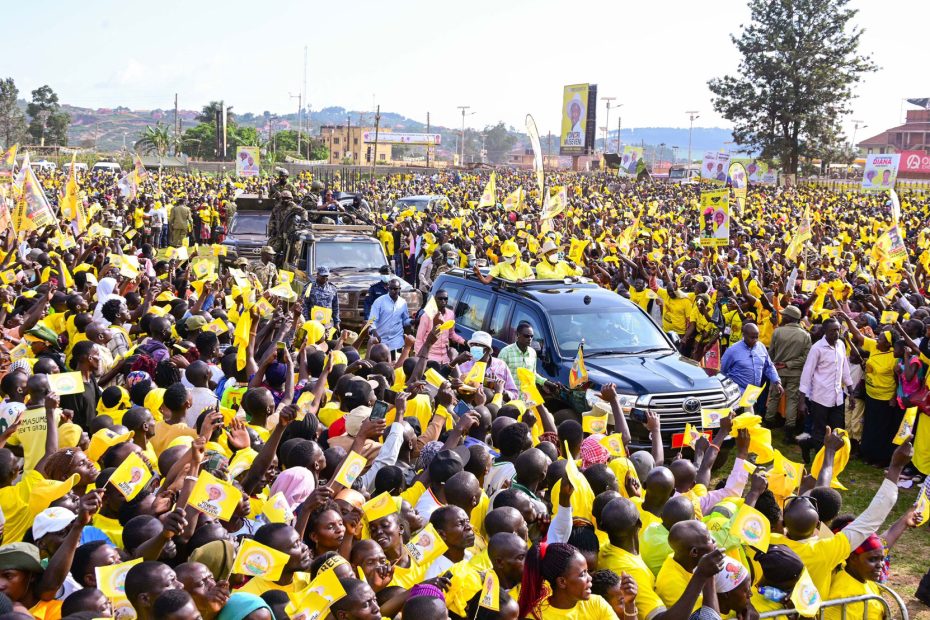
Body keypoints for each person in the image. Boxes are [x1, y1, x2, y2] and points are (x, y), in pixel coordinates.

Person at [797, 318, 853, 457]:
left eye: (838, 329)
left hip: (837, 396)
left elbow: (845, 369)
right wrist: (802, 401)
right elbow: (807, 373)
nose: (837, 333)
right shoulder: (817, 348)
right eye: (833, 330)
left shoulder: (840, 345)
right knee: (820, 431)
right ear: (825, 332)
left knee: (837, 430)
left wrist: (851, 392)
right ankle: (819, 460)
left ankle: (811, 445)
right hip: (820, 396)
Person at [764, 305, 811, 439]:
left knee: (773, 397)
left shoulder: (778, 332)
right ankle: (789, 431)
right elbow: (805, 357)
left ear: (789, 318)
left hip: (777, 372)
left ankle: (768, 423)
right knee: (792, 401)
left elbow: (770, 353)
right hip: (795, 373)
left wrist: (777, 364)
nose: (782, 316)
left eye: (784, 315)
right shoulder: (805, 335)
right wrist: (789, 364)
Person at [720, 323, 783, 414]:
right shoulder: (732, 350)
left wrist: (777, 382)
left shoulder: (761, 347)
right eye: (752, 337)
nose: (755, 340)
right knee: (734, 421)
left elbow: (769, 366)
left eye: (757, 337)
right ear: (744, 335)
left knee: (749, 421)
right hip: (736, 393)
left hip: (751, 393)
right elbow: (723, 372)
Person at [498, 322, 559, 399]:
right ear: (517, 335)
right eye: (526, 336)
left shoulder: (533, 353)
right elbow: (498, 377)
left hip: (528, 399)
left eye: (531, 336)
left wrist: (546, 382)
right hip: (510, 399)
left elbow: (532, 374)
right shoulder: (505, 352)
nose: (529, 338)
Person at [455, 331, 518, 401]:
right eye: (472, 345)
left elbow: (514, 394)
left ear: (487, 349)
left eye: (477, 345)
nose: (474, 348)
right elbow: (456, 390)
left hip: (493, 409)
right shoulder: (464, 366)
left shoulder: (501, 366)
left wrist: (500, 390)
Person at [414, 289, 464, 366]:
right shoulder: (426, 316)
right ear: (434, 299)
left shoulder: (450, 314)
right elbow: (419, 340)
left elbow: (451, 334)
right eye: (440, 298)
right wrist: (420, 360)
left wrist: (463, 342)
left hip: (445, 358)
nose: (443, 301)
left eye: (445, 299)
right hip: (429, 357)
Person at [369, 278, 412, 357]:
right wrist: (375, 334)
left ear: (399, 289)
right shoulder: (379, 301)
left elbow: (405, 321)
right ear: (388, 288)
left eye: (395, 289)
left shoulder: (403, 303)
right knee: (382, 367)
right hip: (381, 341)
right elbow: (372, 321)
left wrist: (412, 321)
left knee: (397, 366)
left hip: (397, 342)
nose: (392, 291)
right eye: (390, 288)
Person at [303, 266, 340, 331]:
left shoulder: (333, 289)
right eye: (323, 276)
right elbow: (304, 305)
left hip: (328, 324)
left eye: (326, 276)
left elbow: (335, 306)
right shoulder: (309, 287)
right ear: (317, 275)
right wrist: (306, 320)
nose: (325, 278)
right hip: (313, 322)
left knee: (326, 341)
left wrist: (337, 322)